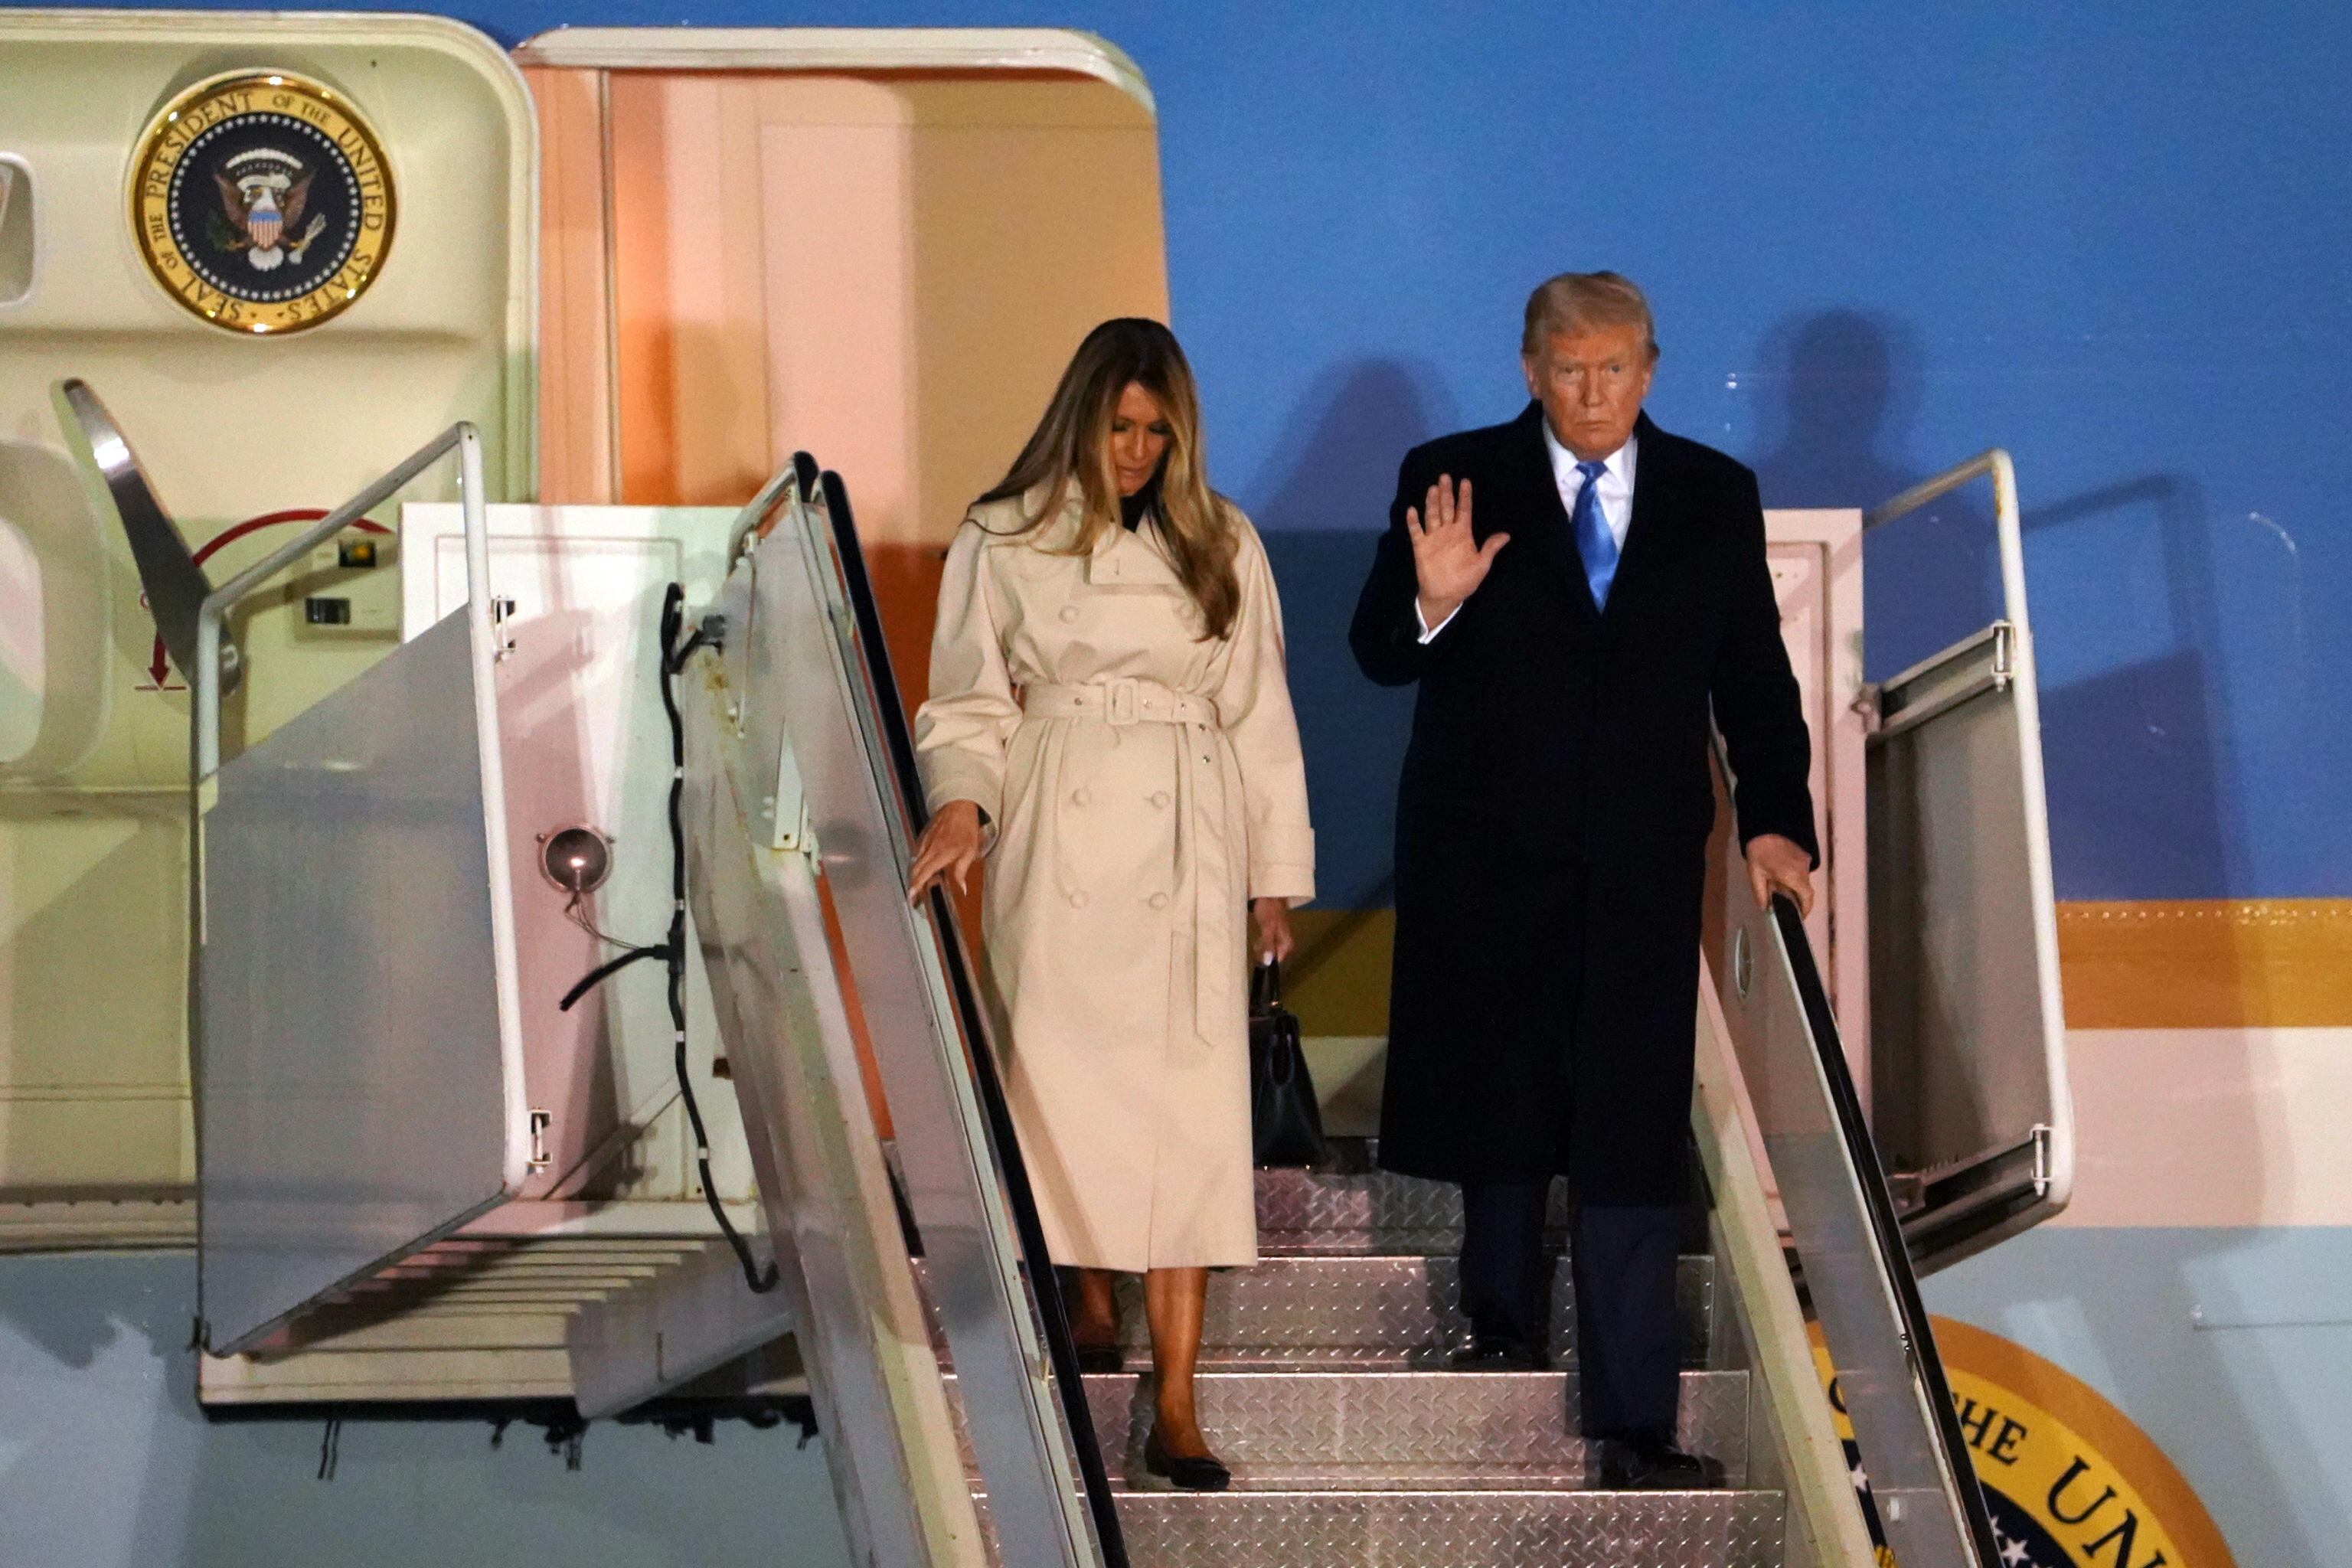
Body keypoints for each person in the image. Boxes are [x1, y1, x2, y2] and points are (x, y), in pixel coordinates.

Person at [1348, 272, 1817, 1490]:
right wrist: (1430, 600)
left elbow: (1755, 682)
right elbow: (1375, 653)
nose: (1594, 393)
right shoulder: (1452, 476)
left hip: (1644, 860)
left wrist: (1777, 826)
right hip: (1484, 849)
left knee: (1626, 1127)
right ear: (1527, 369)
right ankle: (1496, 1327)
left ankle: (1634, 1423)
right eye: (1569, 368)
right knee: (1502, 1087)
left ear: (1651, 371)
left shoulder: (1714, 495)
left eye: (1616, 368)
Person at [908, 318, 1315, 1492]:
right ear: (1082, 416)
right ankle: (1087, 1300)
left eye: (1157, 431)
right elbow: (968, 702)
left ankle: (1179, 1404)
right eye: (1120, 426)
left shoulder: (1221, 537)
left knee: (1183, 1119)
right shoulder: (1003, 534)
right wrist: (962, 807)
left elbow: (1260, 718)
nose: (1136, 451)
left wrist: (1268, 882)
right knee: (1062, 1089)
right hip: (1059, 819)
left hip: (1187, 831)